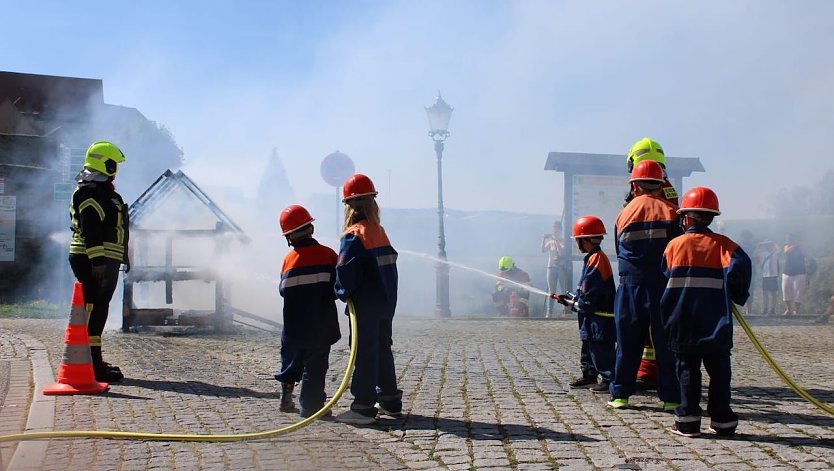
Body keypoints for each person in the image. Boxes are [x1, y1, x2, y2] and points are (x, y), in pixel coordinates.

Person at [660, 187, 751, 437]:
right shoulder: (725, 246)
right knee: (720, 371)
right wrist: (735, 293)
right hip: (716, 322)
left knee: (687, 370)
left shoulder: (673, 246)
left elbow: (664, 278)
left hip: (683, 322)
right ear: (711, 217)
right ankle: (722, 421)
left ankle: (688, 421)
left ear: (686, 217)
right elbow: (742, 266)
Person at [609, 160, 682, 411]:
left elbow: (620, 251)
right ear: (660, 185)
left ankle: (620, 395)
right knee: (666, 344)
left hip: (630, 286)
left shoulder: (623, 214)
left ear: (635, 186)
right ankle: (671, 398)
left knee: (627, 343)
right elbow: (678, 250)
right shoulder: (672, 212)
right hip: (663, 285)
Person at [334, 174, 402, 425]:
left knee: (364, 351)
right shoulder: (379, 232)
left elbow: (346, 274)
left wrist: (340, 292)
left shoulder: (353, 236)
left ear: (349, 207)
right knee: (383, 348)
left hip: (366, 306)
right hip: (385, 303)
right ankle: (390, 401)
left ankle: (362, 407)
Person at [68, 141, 128, 383]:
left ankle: (95, 361)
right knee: (93, 311)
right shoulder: (90, 193)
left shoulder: (103, 193)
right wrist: (98, 262)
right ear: (106, 163)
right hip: (94, 260)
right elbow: (91, 230)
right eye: (114, 164)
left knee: (99, 309)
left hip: (104, 259)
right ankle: (92, 366)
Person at [274, 205, 340, 418]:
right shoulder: (329, 255)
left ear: (289, 236)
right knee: (315, 366)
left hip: (293, 326)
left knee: (291, 361)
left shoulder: (288, 260)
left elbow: (283, 290)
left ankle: (286, 397)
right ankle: (311, 406)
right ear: (311, 228)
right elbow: (337, 288)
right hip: (322, 324)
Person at [624, 137, 679, 389]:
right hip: (661, 269)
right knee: (654, 328)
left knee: (649, 328)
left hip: (649, 270)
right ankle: (651, 370)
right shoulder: (666, 187)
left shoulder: (658, 190)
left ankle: (651, 372)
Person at [557, 216, 616, 393]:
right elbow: (586, 291)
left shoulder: (597, 259)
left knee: (600, 347)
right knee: (588, 344)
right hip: (591, 316)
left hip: (600, 316)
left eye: (577, 240)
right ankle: (589, 375)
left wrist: (579, 303)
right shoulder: (593, 258)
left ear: (585, 240)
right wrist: (573, 299)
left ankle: (608, 378)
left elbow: (592, 292)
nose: (576, 244)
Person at [542, 221, 568, 317]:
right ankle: (549, 312)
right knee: (551, 290)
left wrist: (556, 241)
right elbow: (543, 250)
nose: (555, 232)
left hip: (560, 267)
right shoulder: (550, 242)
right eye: (554, 230)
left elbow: (562, 253)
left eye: (556, 230)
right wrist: (544, 240)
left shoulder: (563, 240)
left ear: (560, 230)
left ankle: (564, 310)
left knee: (563, 289)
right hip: (551, 267)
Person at [782, 233, 807, 315]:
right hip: (787, 272)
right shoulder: (786, 246)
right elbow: (786, 251)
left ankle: (797, 310)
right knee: (786, 291)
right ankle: (789, 309)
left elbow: (805, 253)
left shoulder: (801, 247)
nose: (789, 240)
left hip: (799, 272)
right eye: (787, 239)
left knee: (798, 293)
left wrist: (799, 246)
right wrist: (795, 246)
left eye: (790, 238)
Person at [756, 240, 781, 316]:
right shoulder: (763, 254)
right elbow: (756, 254)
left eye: (769, 245)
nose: (768, 246)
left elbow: (780, 250)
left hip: (773, 275)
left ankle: (773, 308)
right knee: (765, 293)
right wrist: (760, 244)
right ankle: (765, 308)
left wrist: (773, 243)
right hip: (765, 275)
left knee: (773, 293)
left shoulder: (775, 253)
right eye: (767, 245)